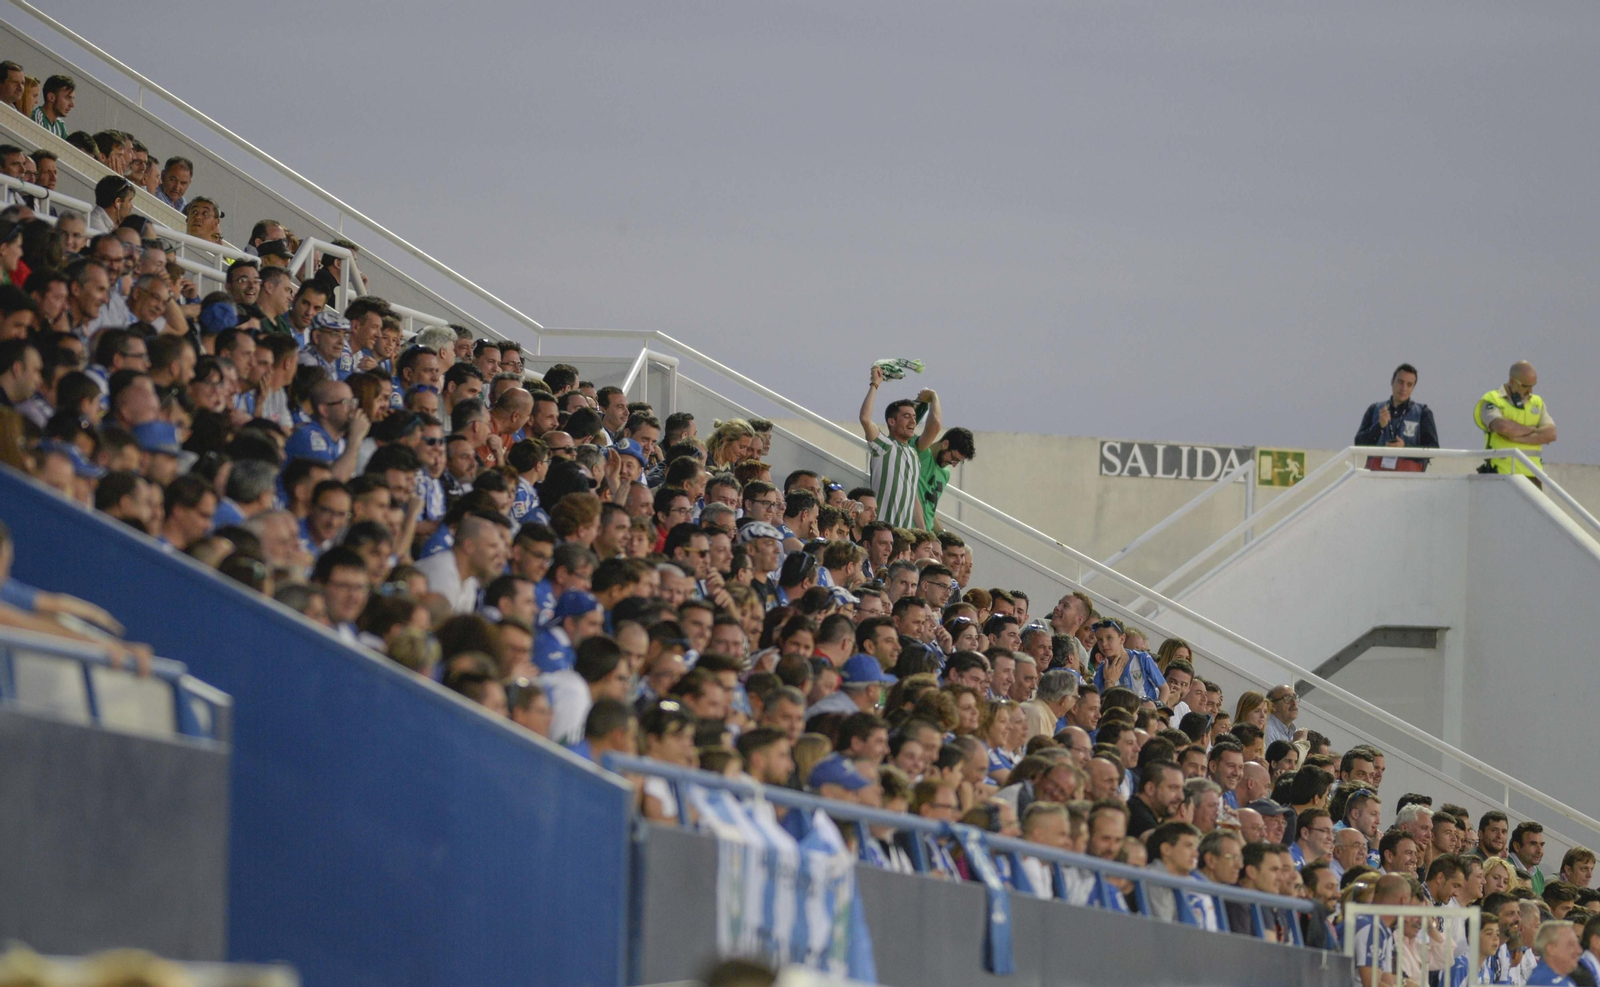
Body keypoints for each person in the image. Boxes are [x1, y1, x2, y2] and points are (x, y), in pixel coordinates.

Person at [858, 364, 942, 529]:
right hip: (880, 531)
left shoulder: (913, 454)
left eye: (914, 417)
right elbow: (865, 419)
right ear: (891, 421)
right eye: (906, 416)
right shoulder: (884, 445)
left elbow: (913, 495)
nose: (912, 421)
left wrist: (923, 532)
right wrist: (875, 384)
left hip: (903, 535)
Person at [1474, 360, 1556, 479]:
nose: (1530, 391)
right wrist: (1536, 431)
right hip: (1502, 474)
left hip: (1533, 474)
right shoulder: (1492, 399)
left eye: (1532, 386)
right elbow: (1503, 427)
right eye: (1525, 386)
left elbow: (1551, 434)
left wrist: (1516, 436)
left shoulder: (1537, 402)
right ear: (1512, 381)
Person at [1354, 363, 1439, 472]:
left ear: (1413, 387)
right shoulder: (1374, 409)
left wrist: (1405, 448)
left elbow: (1433, 449)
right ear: (1392, 382)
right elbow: (1358, 444)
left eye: (1409, 384)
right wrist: (1379, 426)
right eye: (1400, 382)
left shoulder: (1423, 412)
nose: (1404, 388)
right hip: (1376, 477)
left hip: (1409, 479)